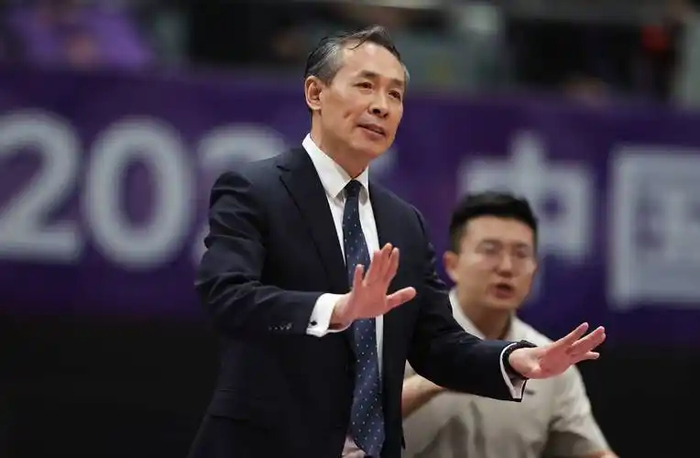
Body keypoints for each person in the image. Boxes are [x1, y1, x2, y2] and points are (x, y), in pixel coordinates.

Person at [187, 25, 606, 458]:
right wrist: (336, 309)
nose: (381, 106)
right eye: (365, 86)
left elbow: (437, 344)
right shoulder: (255, 189)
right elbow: (226, 296)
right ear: (315, 93)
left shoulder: (404, 222)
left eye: (395, 94)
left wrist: (512, 360)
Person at [401, 192, 617, 458]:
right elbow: (359, 418)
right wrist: (448, 374)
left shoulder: (548, 359)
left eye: (520, 254)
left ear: (535, 269)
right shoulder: (408, 334)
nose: (506, 267)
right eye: (490, 250)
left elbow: (591, 452)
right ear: (452, 265)